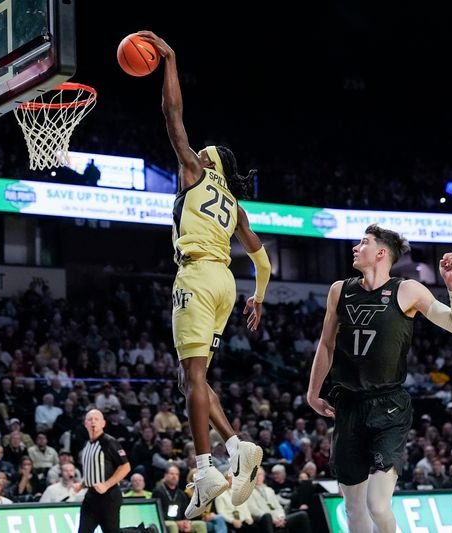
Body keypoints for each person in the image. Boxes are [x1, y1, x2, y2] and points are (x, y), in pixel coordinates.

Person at [137, 30, 271, 518]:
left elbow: (172, 116)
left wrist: (169, 59)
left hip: (195, 277)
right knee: (188, 377)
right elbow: (263, 259)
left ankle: (203, 469)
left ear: (206, 160)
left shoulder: (195, 170)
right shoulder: (234, 204)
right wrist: (259, 298)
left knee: (191, 376)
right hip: (227, 285)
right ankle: (236, 448)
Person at [306, 225, 452, 533]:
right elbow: (326, 344)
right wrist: (313, 392)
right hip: (348, 406)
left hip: (389, 407)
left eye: (363, 243)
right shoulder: (339, 289)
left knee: (378, 505)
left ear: (381, 253)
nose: (355, 247)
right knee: (354, 509)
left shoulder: (407, 289)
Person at [76, 409, 130, 533]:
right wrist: (82, 484)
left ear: (103, 423)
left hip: (108, 497)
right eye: (90, 419)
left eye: (96, 419)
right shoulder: (87, 445)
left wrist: (106, 484)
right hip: (90, 497)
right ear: (85, 424)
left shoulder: (109, 442)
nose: (93, 422)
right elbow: (93, 470)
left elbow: (125, 466)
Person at [247, 467, 312, 533]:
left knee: (303, 515)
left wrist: (281, 518)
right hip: (264, 520)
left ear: (263, 476)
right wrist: (272, 519)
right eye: (255, 475)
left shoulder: (269, 490)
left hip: (278, 519)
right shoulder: (248, 492)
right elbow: (253, 510)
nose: (258, 477)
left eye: (260, 474)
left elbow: (278, 507)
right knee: (267, 517)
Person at [152, 465, 206, 533]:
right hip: (164, 521)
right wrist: (176, 522)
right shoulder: (158, 492)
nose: (174, 476)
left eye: (177, 474)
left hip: (181, 522)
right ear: (165, 475)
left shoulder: (181, 493)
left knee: (200, 524)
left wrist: (186, 522)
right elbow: (157, 512)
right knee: (173, 525)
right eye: (171, 474)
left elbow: (186, 511)